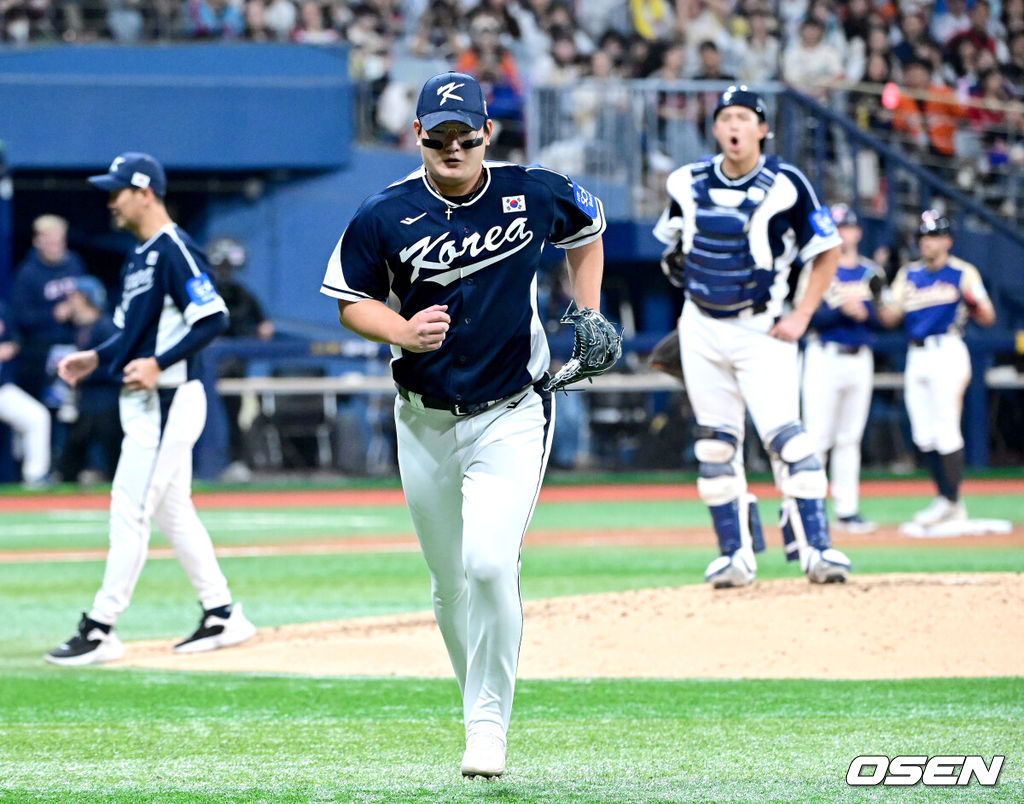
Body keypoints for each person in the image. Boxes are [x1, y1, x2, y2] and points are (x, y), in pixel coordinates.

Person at [319, 71, 609, 779]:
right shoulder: (383, 214)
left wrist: (588, 310)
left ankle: (488, 725)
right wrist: (401, 327)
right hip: (421, 419)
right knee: (448, 583)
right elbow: (350, 301)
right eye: (439, 135)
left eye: (466, 135)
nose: (453, 147)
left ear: (488, 134)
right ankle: (474, 703)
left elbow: (589, 231)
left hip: (512, 407)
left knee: (487, 562)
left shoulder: (532, 190)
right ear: (416, 134)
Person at [46, 152, 256, 666]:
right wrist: (95, 357)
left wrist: (160, 364)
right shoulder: (140, 256)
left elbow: (212, 317)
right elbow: (131, 336)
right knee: (172, 511)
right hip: (145, 401)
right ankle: (223, 613)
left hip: (167, 400)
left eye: (117, 191)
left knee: (129, 509)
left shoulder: (174, 249)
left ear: (145, 192)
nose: (111, 201)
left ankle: (100, 628)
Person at [653, 85, 851, 589]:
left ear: (762, 128)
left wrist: (804, 314)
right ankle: (734, 556)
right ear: (716, 128)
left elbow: (826, 248)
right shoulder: (684, 182)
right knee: (716, 445)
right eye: (725, 118)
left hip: (763, 327)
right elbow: (673, 253)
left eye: (744, 117)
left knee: (788, 438)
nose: (734, 126)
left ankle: (817, 549)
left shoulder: (789, 183)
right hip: (700, 326)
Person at [879, 210, 996, 527]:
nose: (927, 242)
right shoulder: (909, 274)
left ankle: (953, 502)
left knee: (946, 428)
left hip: (947, 350)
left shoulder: (962, 272)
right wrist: (879, 293)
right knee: (924, 433)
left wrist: (974, 303)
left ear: (948, 240)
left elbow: (988, 317)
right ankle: (945, 498)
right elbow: (890, 318)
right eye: (924, 236)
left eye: (934, 236)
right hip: (917, 354)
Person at [800, 204, 887, 534]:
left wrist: (868, 313)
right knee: (817, 437)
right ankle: (812, 508)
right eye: (837, 227)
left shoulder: (871, 272)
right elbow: (804, 316)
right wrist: (841, 311)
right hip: (825, 354)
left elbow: (885, 318)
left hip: (859, 357)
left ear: (857, 232)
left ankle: (847, 510)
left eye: (847, 227)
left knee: (850, 437)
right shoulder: (818, 269)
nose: (842, 233)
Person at [206, 236, 275, 483]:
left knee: (236, 416)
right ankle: (203, 466)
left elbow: (265, 328)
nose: (225, 272)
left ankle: (236, 461)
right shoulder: (206, 291)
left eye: (228, 267)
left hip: (234, 366)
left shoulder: (242, 294)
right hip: (205, 367)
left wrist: (253, 335)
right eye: (221, 266)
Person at [55, 275, 123, 485]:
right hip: (87, 399)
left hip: (106, 399)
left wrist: (87, 374)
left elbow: (116, 365)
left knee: (113, 453)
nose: (69, 301)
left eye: (73, 296)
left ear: (84, 298)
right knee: (74, 450)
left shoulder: (105, 326)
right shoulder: (80, 327)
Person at [10, 214, 85, 403]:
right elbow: (21, 317)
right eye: (51, 242)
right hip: (39, 354)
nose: (57, 246)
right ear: (38, 241)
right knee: (44, 410)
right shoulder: (27, 273)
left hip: (73, 345)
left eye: (60, 241)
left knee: (71, 409)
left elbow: (88, 295)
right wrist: (53, 315)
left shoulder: (74, 263)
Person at [0, 298, 52, 487]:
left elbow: (15, 339)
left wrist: (12, 346)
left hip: (1, 389)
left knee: (37, 416)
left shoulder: (2, 308)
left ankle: (35, 477)